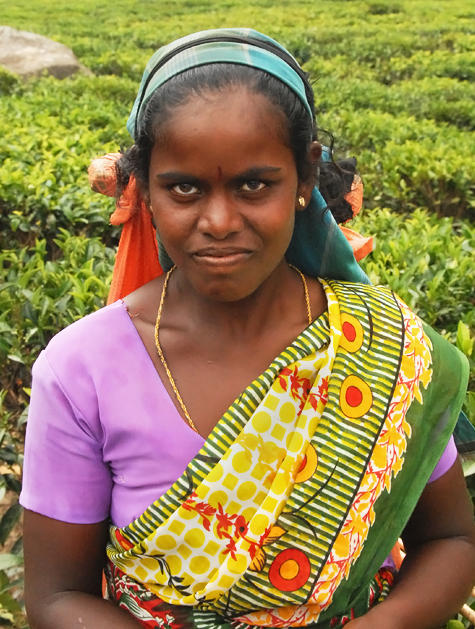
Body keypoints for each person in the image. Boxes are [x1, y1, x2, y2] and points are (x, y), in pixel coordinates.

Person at [20, 28, 474, 629]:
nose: (218, 220)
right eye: (184, 187)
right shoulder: (81, 368)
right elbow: (56, 598)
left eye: (254, 185)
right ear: (145, 189)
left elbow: (451, 540)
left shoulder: (381, 347)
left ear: (306, 177)